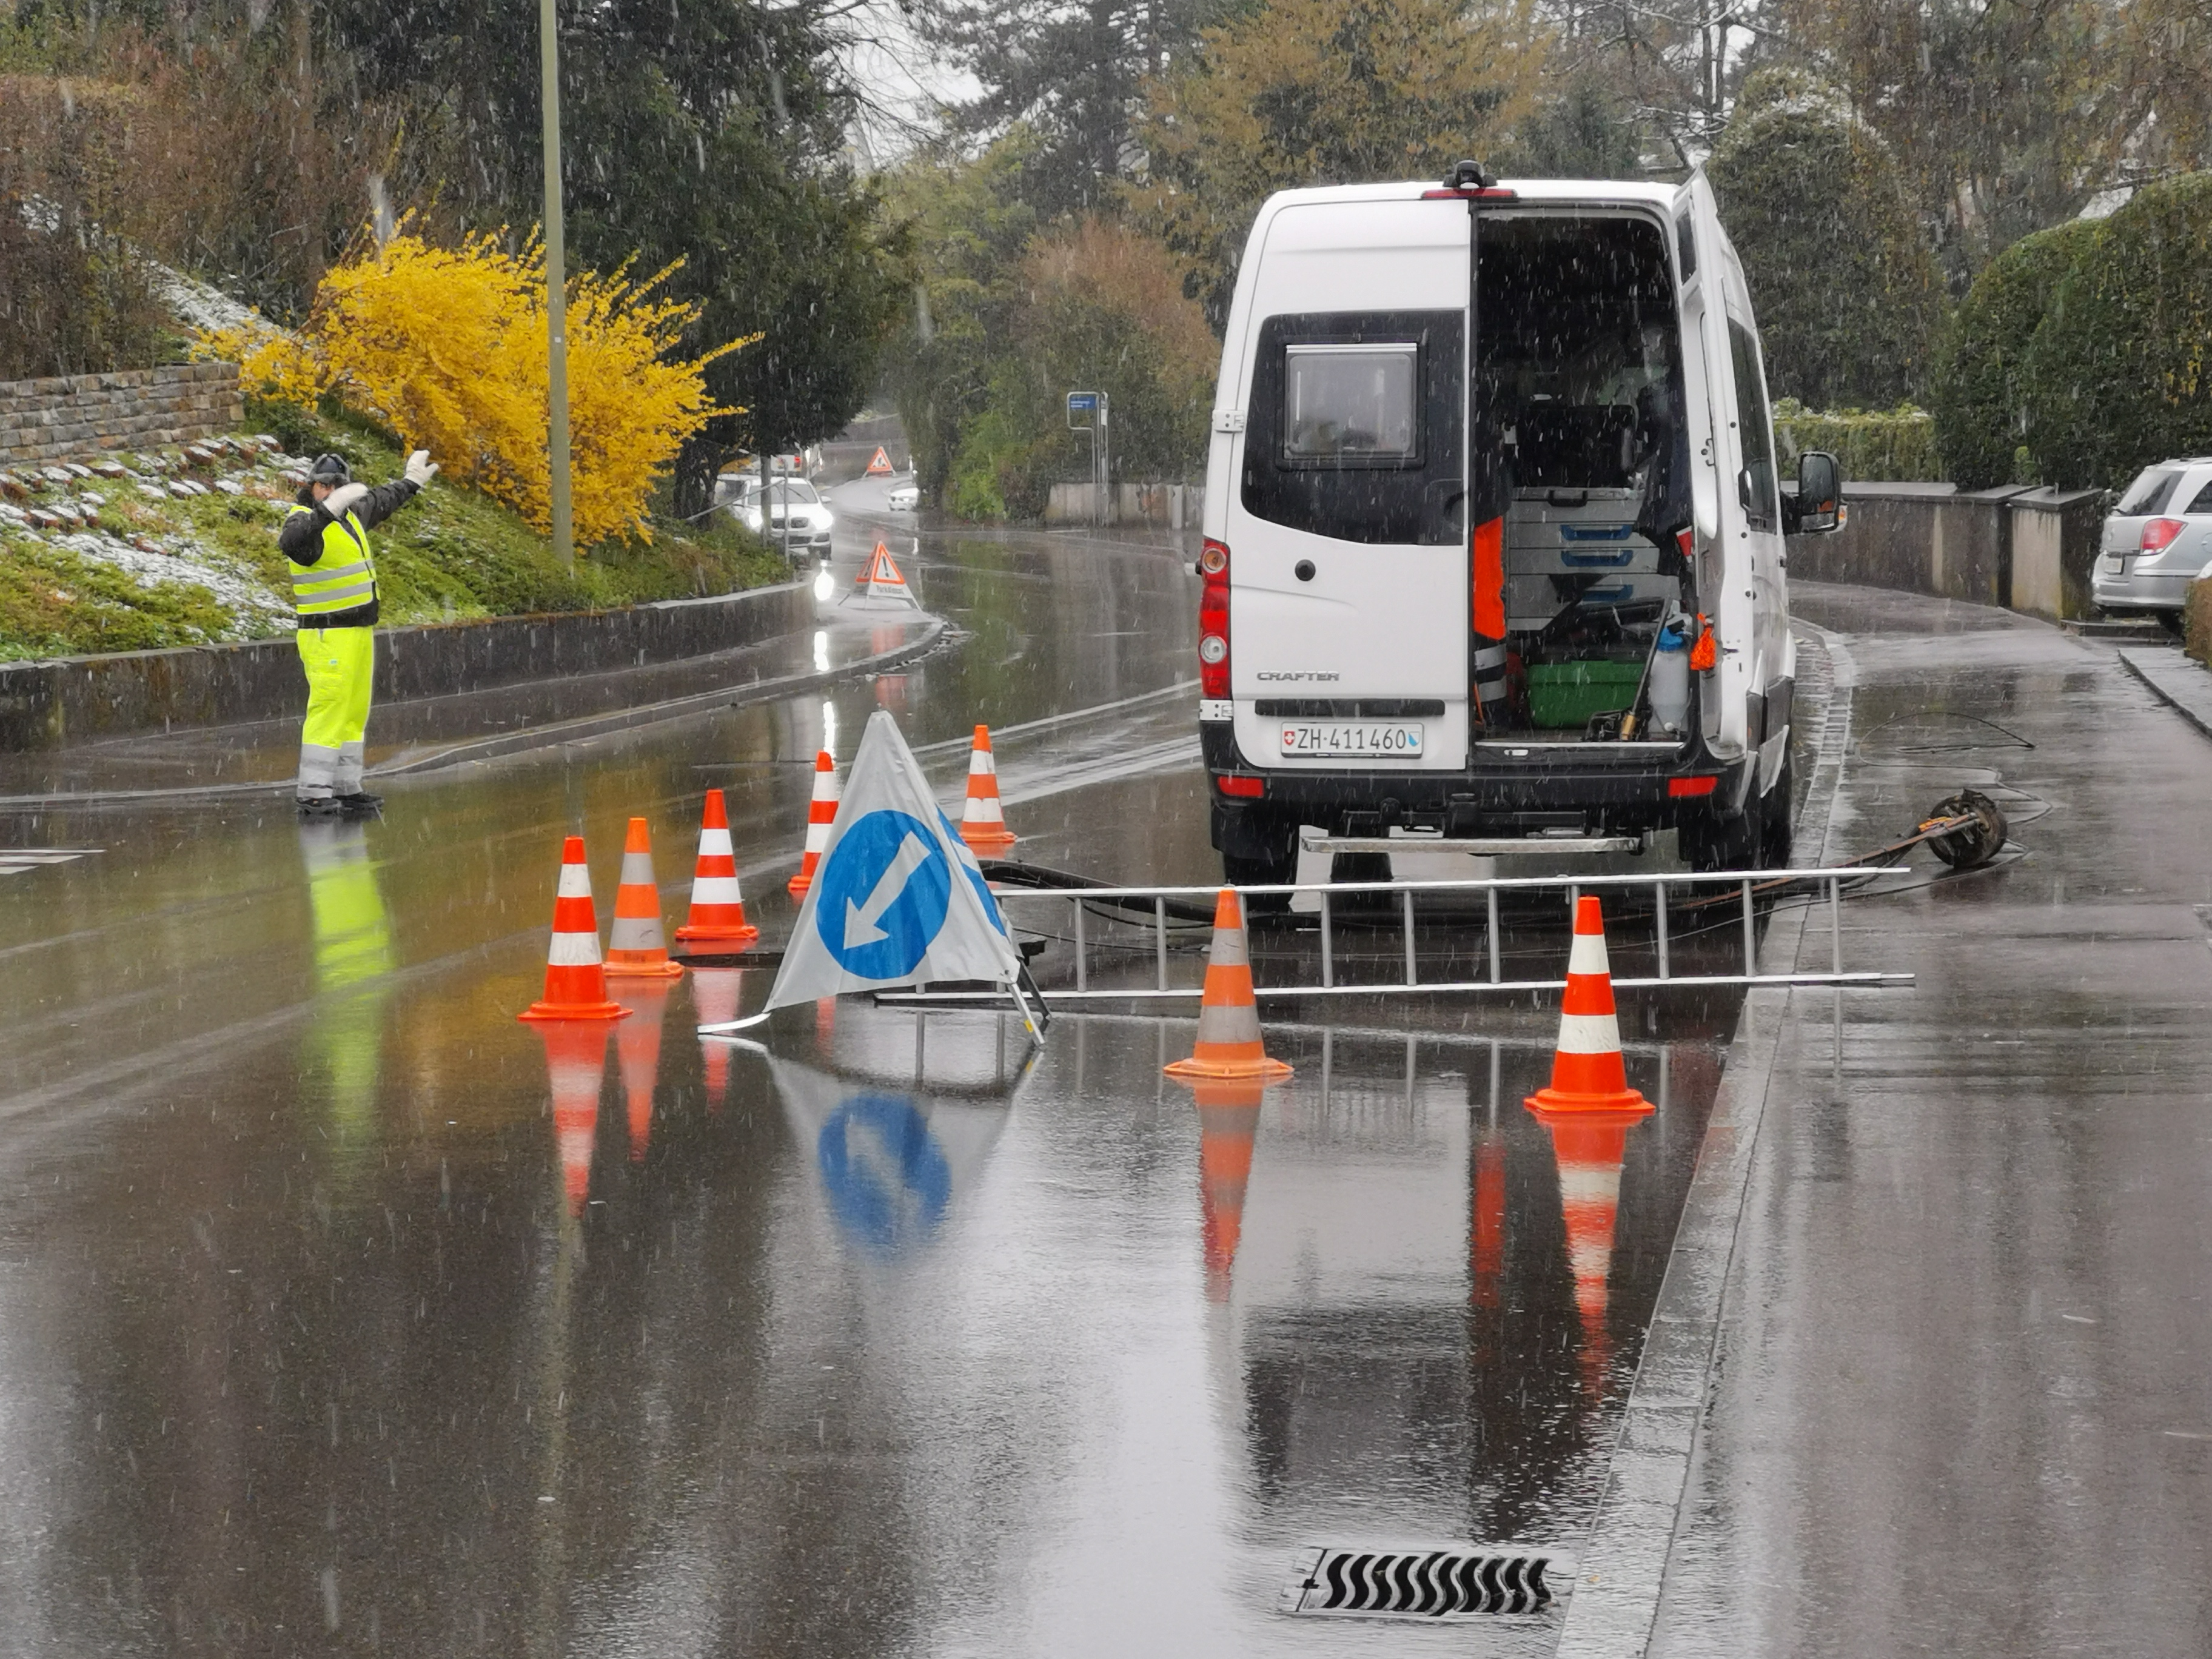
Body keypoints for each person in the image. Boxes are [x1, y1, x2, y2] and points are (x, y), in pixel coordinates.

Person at [281, 449, 437, 817]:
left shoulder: (350, 516)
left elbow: (381, 500)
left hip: (356, 632)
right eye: (324, 485)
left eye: (337, 486)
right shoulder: (302, 520)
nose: (332, 491)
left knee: (353, 711)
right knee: (329, 708)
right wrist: (326, 511)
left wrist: (410, 483)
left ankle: (347, 786)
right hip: (326, 634)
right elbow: (293, 544)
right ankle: (314, 791)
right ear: (312, 487)